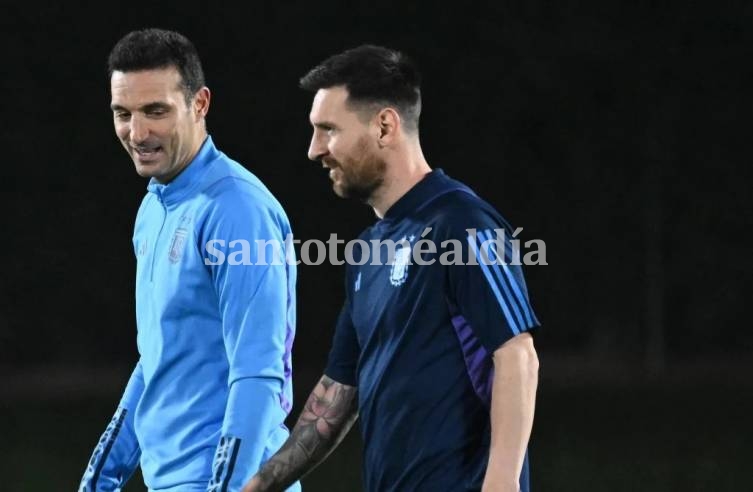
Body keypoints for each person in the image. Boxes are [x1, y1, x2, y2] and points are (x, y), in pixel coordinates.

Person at [243, 45, 540, 492]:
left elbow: (516, 353)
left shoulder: (461, 222)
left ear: (384, 126)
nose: (314, 150)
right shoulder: (368, 252)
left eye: (328, 130)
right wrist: (260, 484)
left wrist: (501, 482)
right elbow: (338, 394)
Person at [78, 28, 299, 492]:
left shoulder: (238, 211)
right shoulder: (155, 206)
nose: (137, 133)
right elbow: (158, 356)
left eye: (155, 111)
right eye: (124, 113)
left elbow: (258, 375)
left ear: (199, 104)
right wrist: (103, 473)